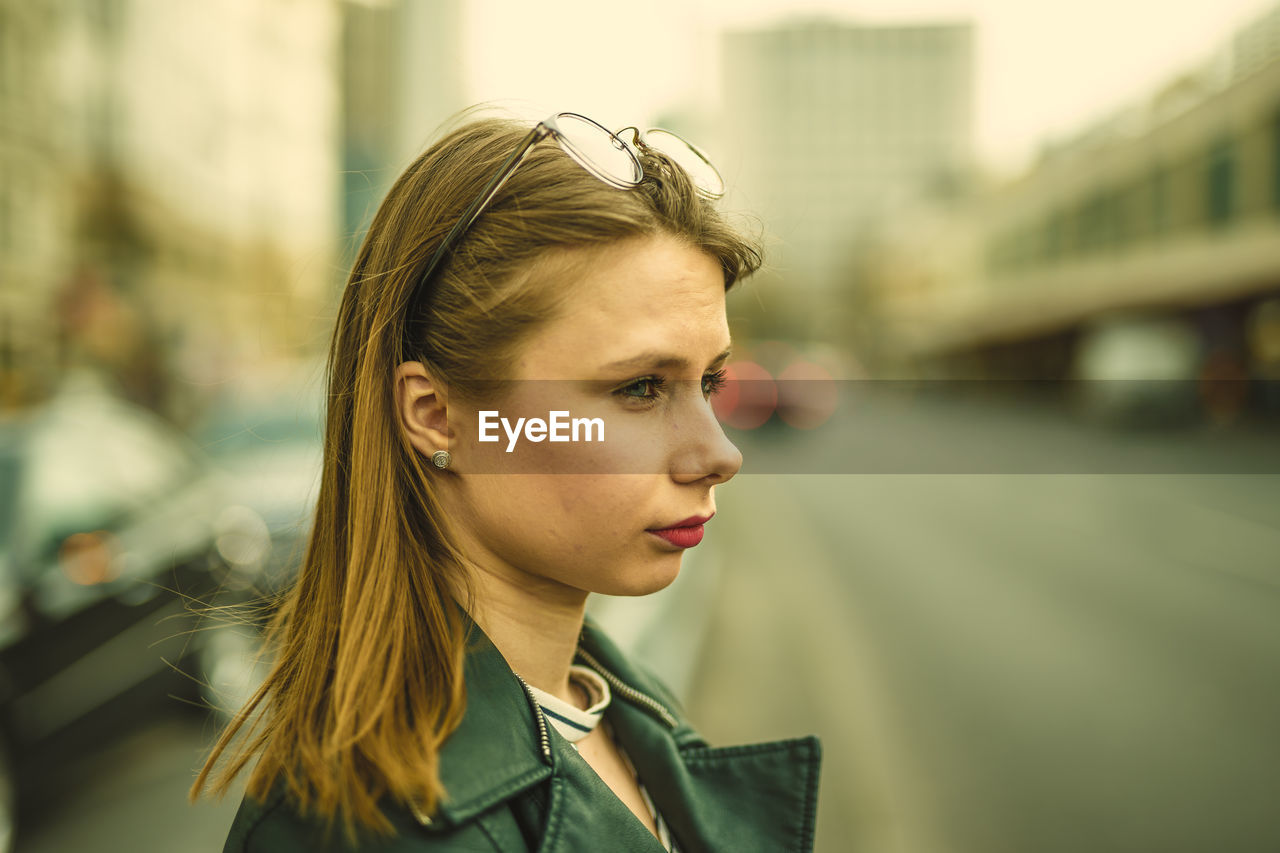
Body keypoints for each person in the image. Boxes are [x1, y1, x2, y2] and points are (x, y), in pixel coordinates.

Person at [193, 110, 822, 852]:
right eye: (641, 387)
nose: (718, 453)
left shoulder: (622, 709)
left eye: (708, 381)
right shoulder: (363, 832)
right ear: (436, 415)